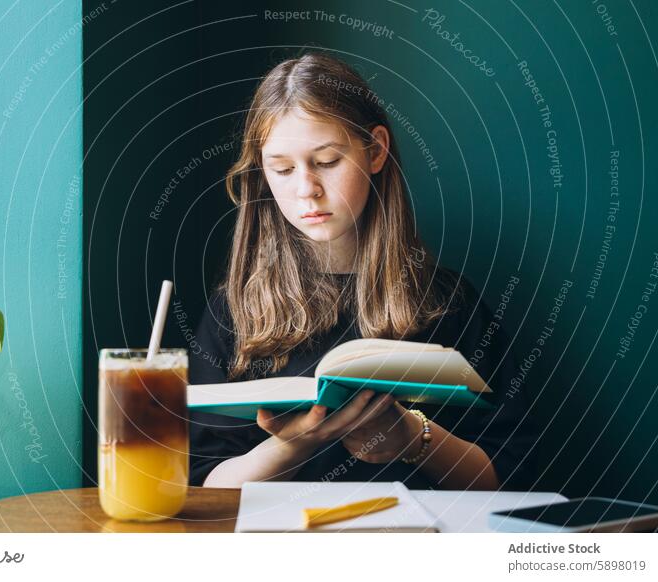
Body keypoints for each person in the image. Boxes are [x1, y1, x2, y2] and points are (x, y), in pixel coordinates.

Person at [188, 52, 536, 491]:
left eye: (328, 161)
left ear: (375, 151)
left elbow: (512, 474)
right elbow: (201, 485)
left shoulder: (448, 301)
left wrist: (414, 438)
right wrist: (296, 445)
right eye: (281, 168)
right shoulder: (234, 311)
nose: (306, 189)